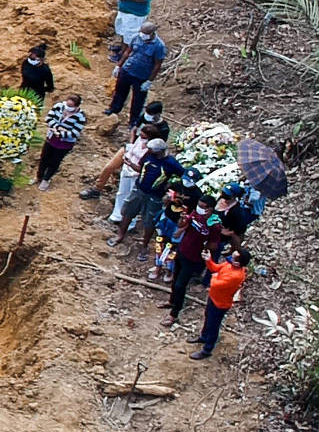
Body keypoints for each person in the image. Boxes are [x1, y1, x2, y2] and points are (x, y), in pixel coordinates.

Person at [81, 100, 168, 199]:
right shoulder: (144, 117)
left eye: (150, 114)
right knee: (109, 166)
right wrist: (131, 144)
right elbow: (134, 129)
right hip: (132, 148)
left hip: (143, 155)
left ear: (158, 114)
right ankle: (97, 189)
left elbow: (157, 147)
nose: (147, 116)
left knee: (133, 179)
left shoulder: (163, 129)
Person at [165, 197, 224, 325]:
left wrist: (204, 245)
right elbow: (184, 224)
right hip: (183, 250)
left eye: (202, 206)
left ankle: (174, 314)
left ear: (209, 209)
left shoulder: (214, 225)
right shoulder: (195, 214)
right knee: (175, 279)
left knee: (181, 284)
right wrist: (181, 223)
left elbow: (214, 245)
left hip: (194, 258)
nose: (199, 208)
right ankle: (171, 301)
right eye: (199, 205)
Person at [192, 246, 249, 359]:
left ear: (238, 263)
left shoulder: (236, 276)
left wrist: (214, 277)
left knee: (214, 325)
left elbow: (216, 284)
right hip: (213, 297)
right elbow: (215, 268)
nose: (229, 258)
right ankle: (204, 336)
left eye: (233, 257)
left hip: (221, 304)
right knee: (207, 317)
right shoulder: (229, 264)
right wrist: (209, 260)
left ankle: (207, 349)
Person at [108, 19, 167, 127]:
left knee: (138, 100)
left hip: (142, 76)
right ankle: (114, 109)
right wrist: (118, 65)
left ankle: (133, 121)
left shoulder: (159, 46)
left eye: (145, 34)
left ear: (152, 33)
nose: (142, 35)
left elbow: (157, 64)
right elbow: (128, 51)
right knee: (120, 91)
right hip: (127, 69)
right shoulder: (137, 37)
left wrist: (149, 81)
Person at [37, 94, 86, 188]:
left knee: (54, 161)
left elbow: (75, 132)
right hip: (51, 138)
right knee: (44, 158)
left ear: (76, 106)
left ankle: (46, 179)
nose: (68, 107)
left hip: (64, 143)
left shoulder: (80, 117)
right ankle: (39, 176)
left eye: (71, 106)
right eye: (67, 104)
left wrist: (61, 134)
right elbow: (48, 118)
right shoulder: (59, 106)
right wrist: (58, 128)